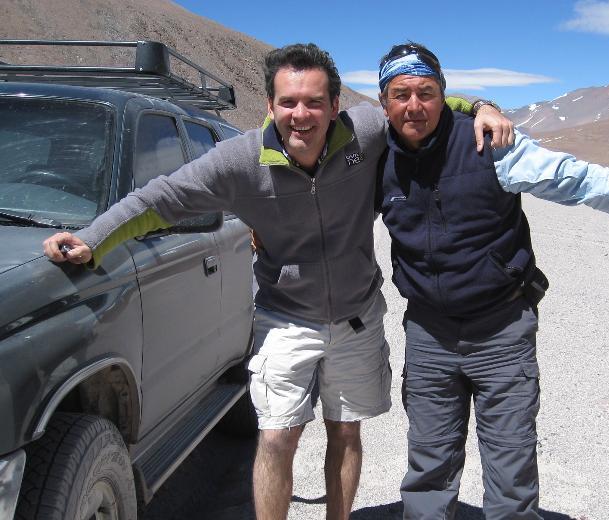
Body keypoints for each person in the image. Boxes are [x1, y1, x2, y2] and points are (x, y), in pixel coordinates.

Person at [41, 43, 513, 520]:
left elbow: (421, 103)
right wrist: (93, 239)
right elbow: (160, 199)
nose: (300, 115)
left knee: (345, 431)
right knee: (276, 437)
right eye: (288, 102)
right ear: (270, 105)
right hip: (285, 317)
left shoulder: (365, 131)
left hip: (357, 316)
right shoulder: (239, 161)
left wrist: (481, 107)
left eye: (314, 102)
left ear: (335, 106)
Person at [374, 42, 609, 520]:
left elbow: (574, 179)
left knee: (511, 467)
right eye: (401, 94)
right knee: (428, 464)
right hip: (428, 334)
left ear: (442, 95)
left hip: (500, 330)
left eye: (426, 92)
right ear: (384, 101)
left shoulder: (488, 144)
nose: (414, 105)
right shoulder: (376, 157)